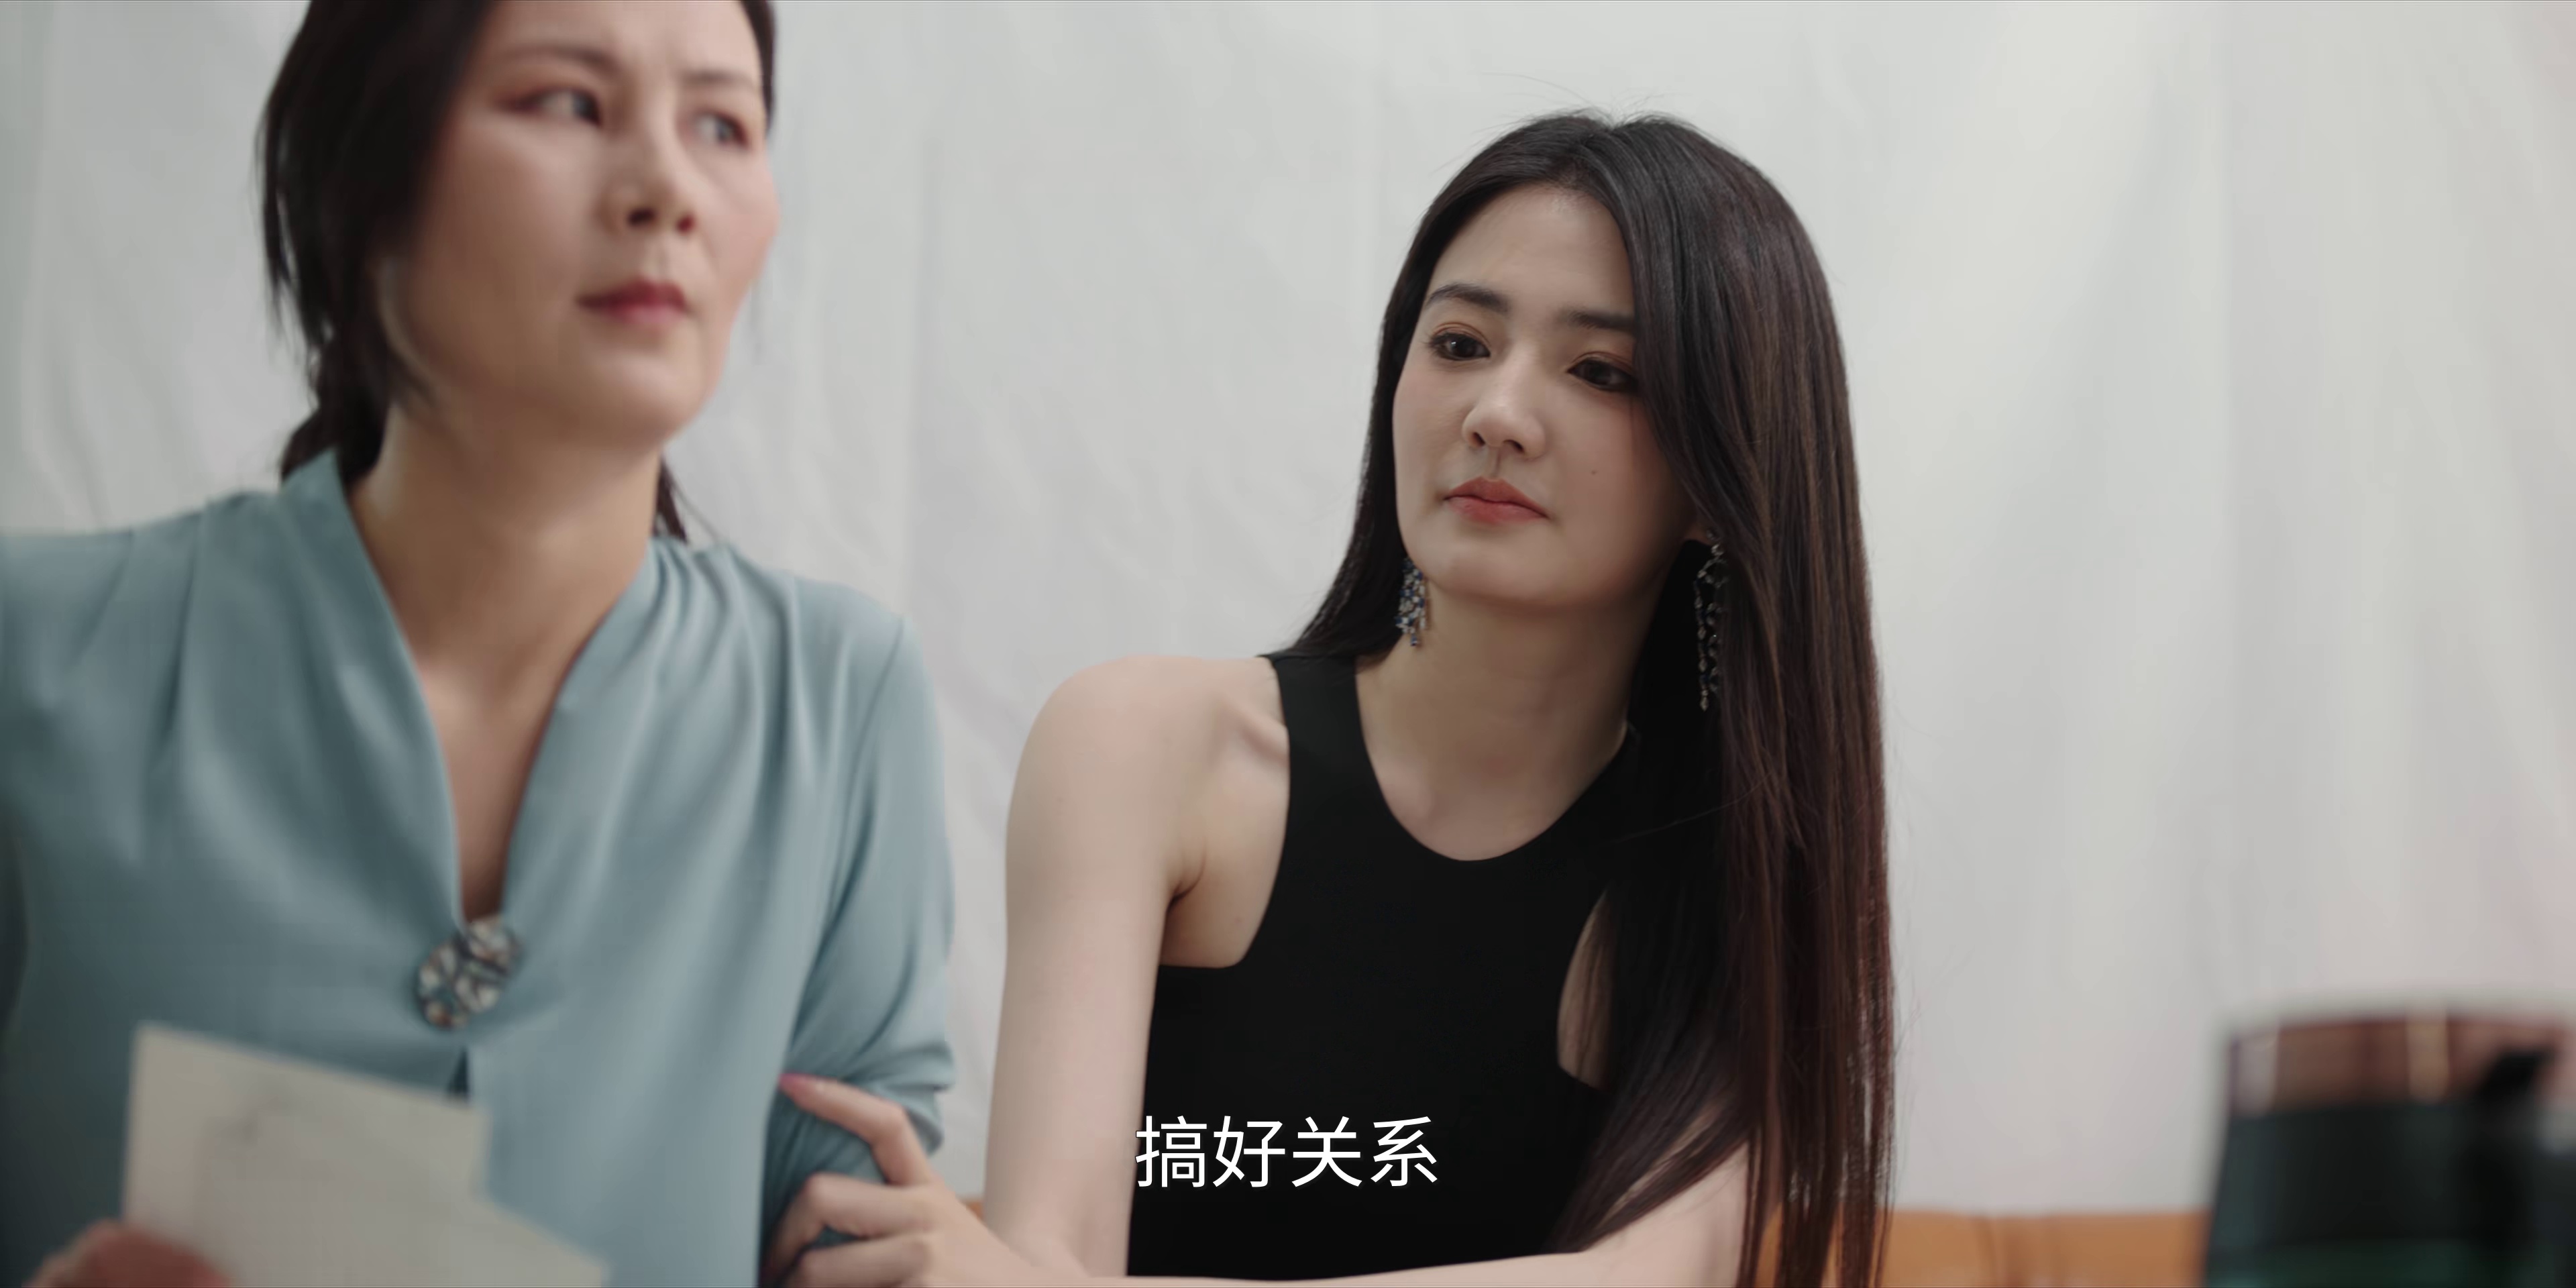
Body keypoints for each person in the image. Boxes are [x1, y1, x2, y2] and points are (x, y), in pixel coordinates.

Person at [760, 111, 1892, 1288]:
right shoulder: (1148, 747)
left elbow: (1648, 1279)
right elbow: (1051, 1253)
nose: (1496, 414)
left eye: (1602, 371)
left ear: (1722, 477)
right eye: (1460, 343)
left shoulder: (1731, 875)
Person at [0, 2, 953, 1284]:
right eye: (569, 102)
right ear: (366, 173)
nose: (667, 188)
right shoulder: (35, 652)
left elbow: (841, 1246)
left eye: (724, 125)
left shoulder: (840, 704)